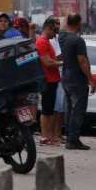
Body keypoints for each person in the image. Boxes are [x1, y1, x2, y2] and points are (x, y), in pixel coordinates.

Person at [58, 14, 96, 150]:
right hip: (77, 79)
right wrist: (90, 80)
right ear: (78, 23)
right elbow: (82, 61)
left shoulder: (62, 38)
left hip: (66, 78)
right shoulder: (78, 40)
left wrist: (67, 18)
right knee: (78, 110)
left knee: (69, 109)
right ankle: (73, 139)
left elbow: (63, 25)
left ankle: (70, 137)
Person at [36, 17, 63, 145]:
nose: (55, 34)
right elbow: (47, 62)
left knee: (50, 109)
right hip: (47, 80)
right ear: (48, 28)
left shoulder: (47, 41)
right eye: (54, 31)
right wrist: (62, 63)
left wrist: (57, 62)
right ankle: (45, 137)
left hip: (52, 80)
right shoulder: (42, 42)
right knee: (47, 110)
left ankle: (49, 136)